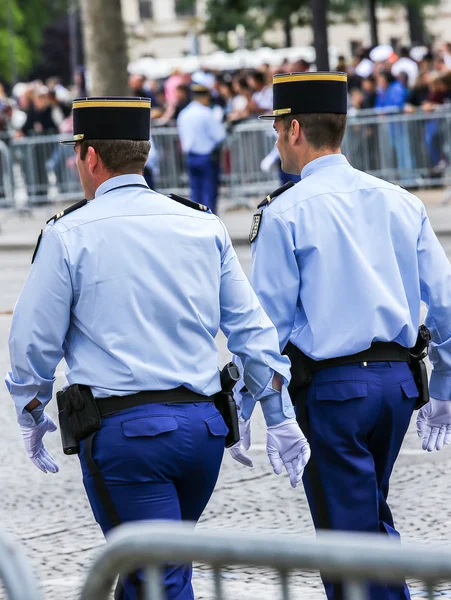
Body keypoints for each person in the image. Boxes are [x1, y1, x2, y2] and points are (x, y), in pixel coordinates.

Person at [5, 96, 310, 600]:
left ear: (91, 157)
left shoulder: (68, 234)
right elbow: (252, 331)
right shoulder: (200, 222)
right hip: (203, 430)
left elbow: (33, 342)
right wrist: (276, 412)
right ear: (142, 153)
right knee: (150, 573)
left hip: (128, 436)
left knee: (157, 581)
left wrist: (32, 409)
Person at [237, 71, 451, 600]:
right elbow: (445, 303)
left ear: (292, 130)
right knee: (369, 519)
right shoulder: (400, 200)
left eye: (276, 130)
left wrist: (270, 411)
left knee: (346, 543)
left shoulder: (285, 211)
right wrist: (443, 384)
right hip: (399, 385)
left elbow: (268, 327)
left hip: (334, 391)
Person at [177, 83, 226, 213]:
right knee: (209, 192)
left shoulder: (183, 114)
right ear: (204, 97)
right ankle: (209, 221)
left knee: (195, 193)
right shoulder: (206, 113)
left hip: (190, 156)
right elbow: (219, 136)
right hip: (207, 156)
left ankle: (197, 221)